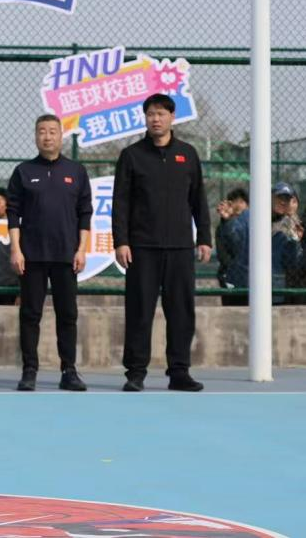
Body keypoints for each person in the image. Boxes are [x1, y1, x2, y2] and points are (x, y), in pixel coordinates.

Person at [112, 93, 211, 392]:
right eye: (151, 114)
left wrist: (204, 238)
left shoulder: (187, 154)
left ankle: (179, 372)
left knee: (181, 311)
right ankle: (135, 373)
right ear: (145, 118)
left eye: (161, 114)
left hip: (180, 247)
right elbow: (120, 203)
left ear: (172, 117)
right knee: (139, 311)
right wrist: (121, 241)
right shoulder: (131, 155)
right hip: (142, 248)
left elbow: (199, 199)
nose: (156, 119)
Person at [6, 114, 93, 392]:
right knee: (30, 314)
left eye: (53, 131)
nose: (47, 136)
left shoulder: (76, 171)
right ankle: (29, 370)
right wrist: (16, 249)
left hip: (66, 256)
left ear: (61, 135)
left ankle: (69, 370)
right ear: (36, 136)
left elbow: (85, 213)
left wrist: (81, 249)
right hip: (31, 255)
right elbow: (13, 213)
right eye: (42, 131)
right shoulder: (23, 171)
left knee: (67, 314)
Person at [214, 187, 250, 291]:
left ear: (247, 205)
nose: (238, 205)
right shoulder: (222, 227)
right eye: (234, 202)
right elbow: (223, 255)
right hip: (230, 276)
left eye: (241, 202)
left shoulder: (254, 227)